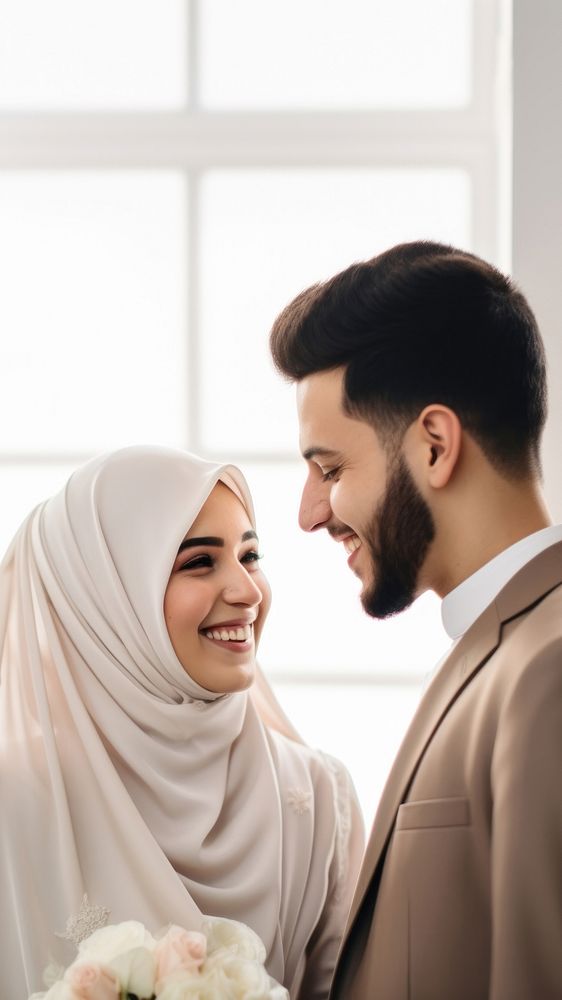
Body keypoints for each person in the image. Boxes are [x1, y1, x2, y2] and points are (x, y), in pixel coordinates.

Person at [269, 240, 562, 999]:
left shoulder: (549, 667)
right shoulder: (504, 647)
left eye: (330, 470)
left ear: (435, 444)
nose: (308, 514)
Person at [0, 445, 364, 1000]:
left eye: (250, 555)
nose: (247, 592)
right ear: (104, 599)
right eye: (199, 562)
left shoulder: (317, 797)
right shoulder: (16, 797)